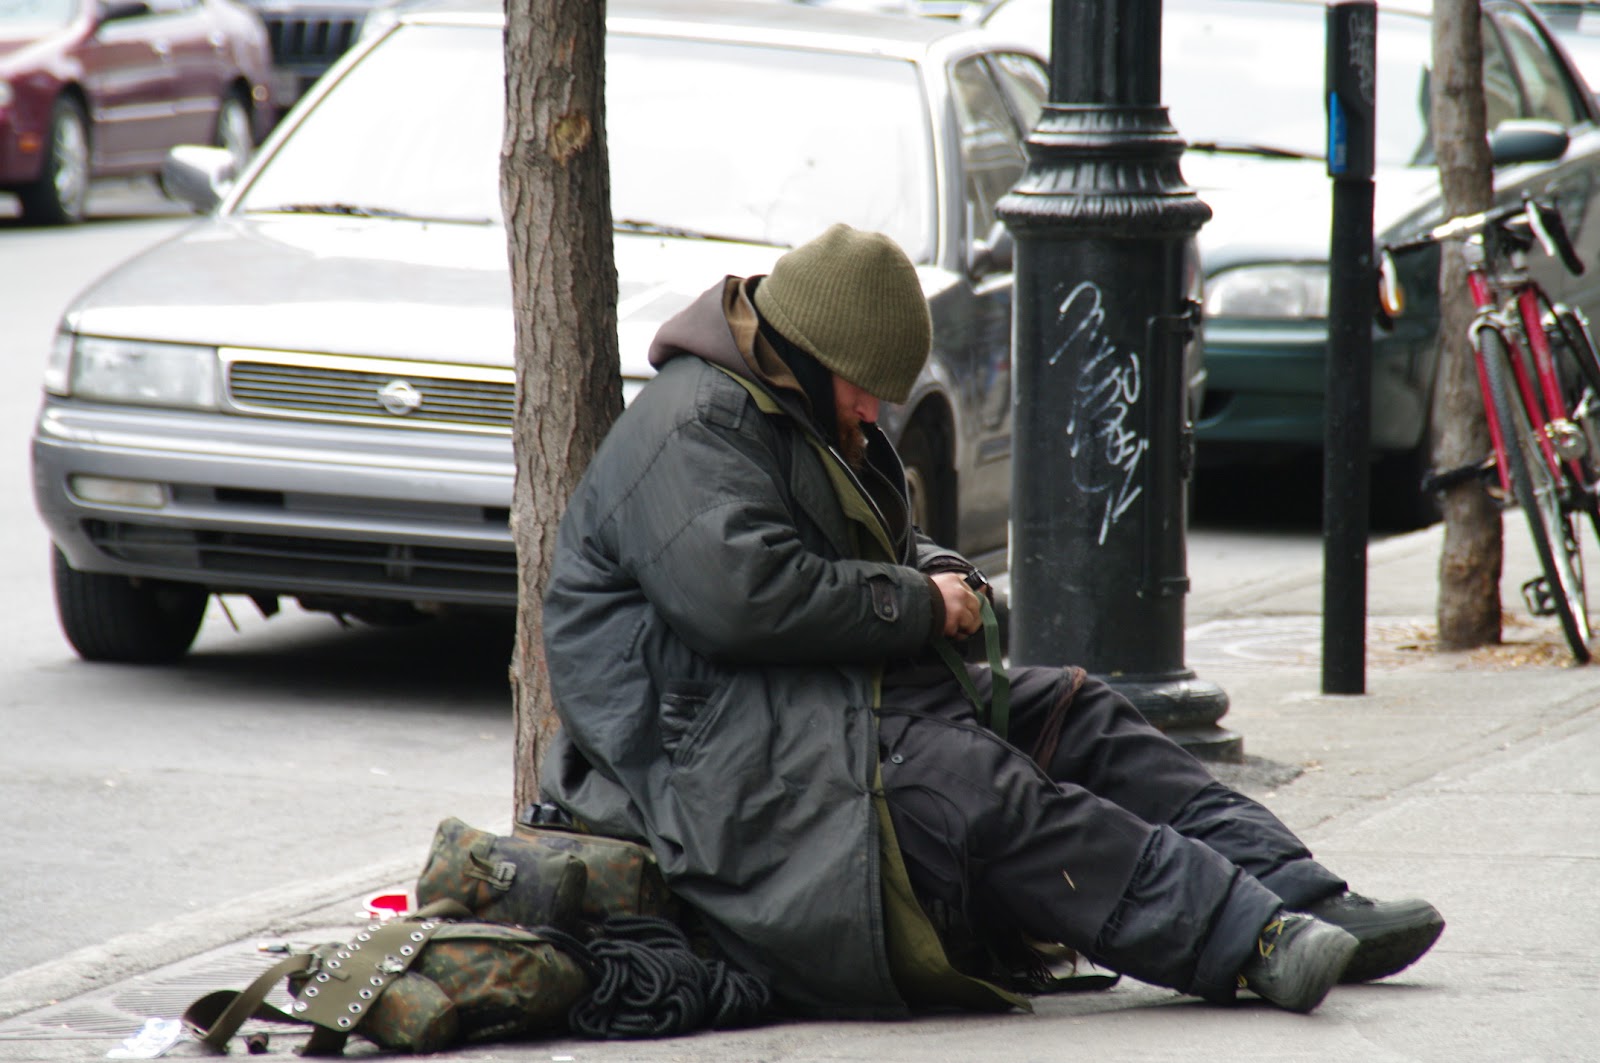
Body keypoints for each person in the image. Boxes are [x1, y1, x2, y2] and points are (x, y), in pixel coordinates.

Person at [538, 223, 1443, 1018]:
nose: (871, 409)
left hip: (821, 712)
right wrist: (918, 602)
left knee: (1079, 714)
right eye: (862, 388)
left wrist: (937, 569)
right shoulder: (691, 427)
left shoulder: (792, 408)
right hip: (725, 768)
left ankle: (1305, 894)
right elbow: (749, 598)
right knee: (976, 787)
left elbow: (875, 546)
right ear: (811, 350)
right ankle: (1249, 938)